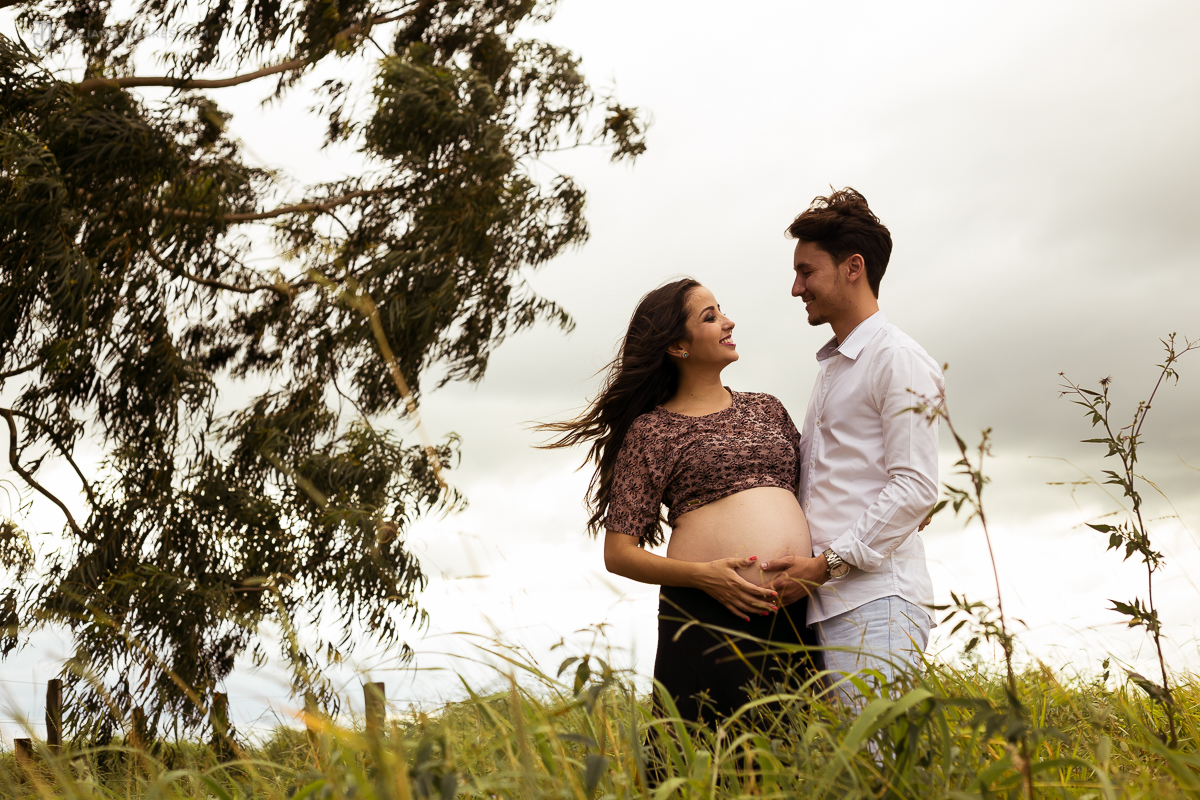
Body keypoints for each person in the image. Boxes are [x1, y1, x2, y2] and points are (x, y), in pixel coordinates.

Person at [540, 278, 826, 723]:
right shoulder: (652, 431)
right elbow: (618, 554)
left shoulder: (767, 408)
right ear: (677, 345)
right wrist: (704, 577)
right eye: (710, 317)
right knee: (708, 771)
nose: (728, 322)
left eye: (722, 311)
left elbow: (814, 492)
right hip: (707, 616)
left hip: (793, 611)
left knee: (797, 768)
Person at [758, 188, 943, 704]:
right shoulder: (836, 368)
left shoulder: (897, 359)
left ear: (852, 267)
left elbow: (915, 488)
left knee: (880, 776)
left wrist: (825, 566)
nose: (796, 288)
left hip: (874, 603)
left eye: (806, 271)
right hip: (827, 607)